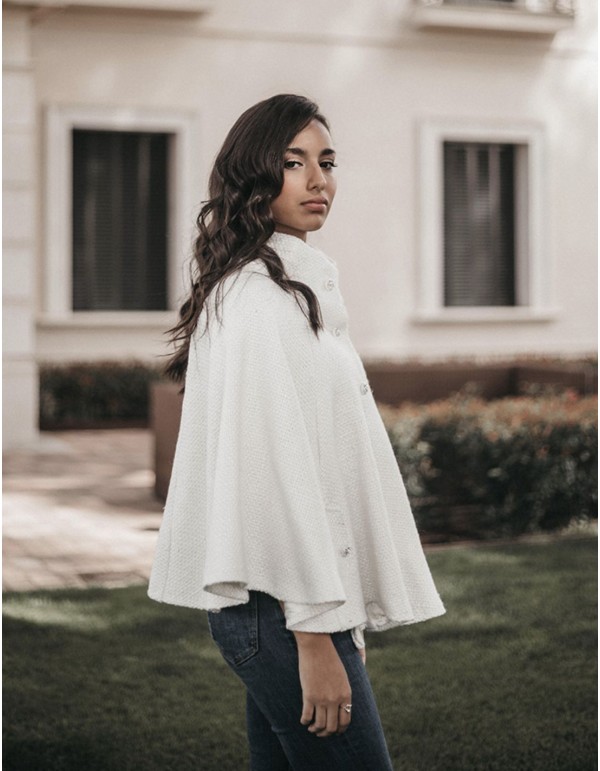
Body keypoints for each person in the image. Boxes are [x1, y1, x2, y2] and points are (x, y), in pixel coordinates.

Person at [148, 93, 445, 770]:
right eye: (293, 163)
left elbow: (319, 461)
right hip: (279, 611)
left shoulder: (283, 288)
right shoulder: (259, 301)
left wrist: (339, 617)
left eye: (327, 162)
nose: (319, 181)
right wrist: (316, 634)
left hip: (283, 606)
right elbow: (273, 475)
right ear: (255, 177)